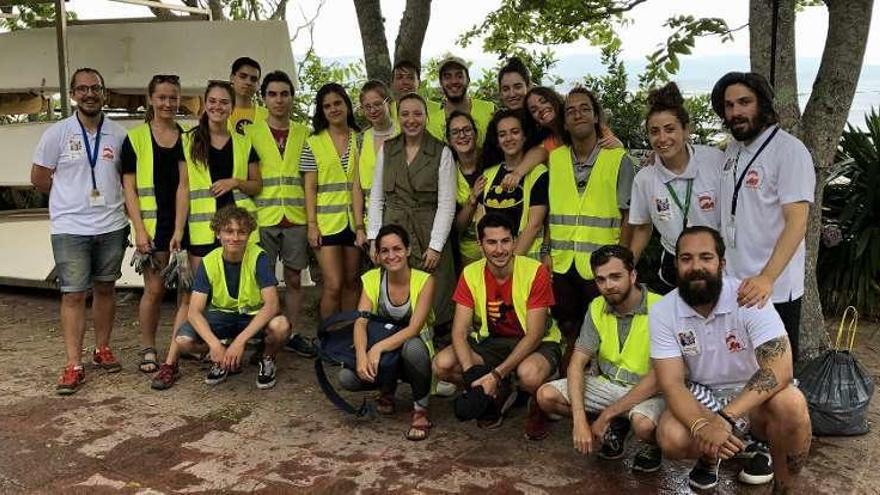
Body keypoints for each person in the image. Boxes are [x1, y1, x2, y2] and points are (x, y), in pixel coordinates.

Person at [651, 226, 811, 491]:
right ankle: (711, 454)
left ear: (722, 263)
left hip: (753, 397)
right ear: (676, 263)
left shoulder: (749, 297)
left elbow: (780, 369)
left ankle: (785, 487)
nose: (696, 267)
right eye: (686, 258)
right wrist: (703, 425)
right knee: (670, 437)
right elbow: (672, 384)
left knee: (792, 404)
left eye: (706, 257)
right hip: (704, 395)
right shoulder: (663, 311)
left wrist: (724, 419)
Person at [152, 81, 262, 389]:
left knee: (232, 294)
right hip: (201, 231)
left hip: (237, 231)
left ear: (231, 106)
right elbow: (183, 188)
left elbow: (257, 186)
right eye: (212, 101)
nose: (217, 106)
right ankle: (170, 363)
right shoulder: (189, 141)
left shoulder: (243, 141)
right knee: (191, 298)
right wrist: (177, 230)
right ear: (204, 104)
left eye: (223, 102)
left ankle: (225, 353)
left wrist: (235, 182)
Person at [31, 67, 129, 395]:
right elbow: (40, 178)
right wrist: (68, 200)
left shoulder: (118, 134)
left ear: (104, 93)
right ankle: (74, 364)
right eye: (83, 89)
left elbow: (126, 180)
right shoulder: (56, 134)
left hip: (112, 224)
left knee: (105, 288)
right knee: (73, 294)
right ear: (73, 94)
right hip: (70, 227)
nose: (89, 94)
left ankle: (102, 349)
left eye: (95, 88)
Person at [710, 72, 814, 361]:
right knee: (740, 368)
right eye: (729, 106)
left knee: (774, 375)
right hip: (733, 285)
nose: (736, 112)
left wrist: (767, 278)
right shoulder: (732, 150)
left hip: (773, 289)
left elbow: (797, 222)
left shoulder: (790, 151)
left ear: (763, 105)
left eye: (744, 102)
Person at [432, 213, 562, 440]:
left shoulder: (535, 271)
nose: (499, 249)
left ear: (514, 241)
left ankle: (537, 404)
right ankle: (498, 392)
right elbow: (460, 331)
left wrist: (496, 374)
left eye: (505, 241)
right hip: (492, 340)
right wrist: (473, 375)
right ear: (480, 245)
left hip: (536, 343)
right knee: (442, 365)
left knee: (529, 375)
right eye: (491, 242)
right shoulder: (471, 273)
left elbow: (534, 334)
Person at [537, 245, 665, 470]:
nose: (609, 286)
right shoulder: (597, 306)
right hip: (608, 386)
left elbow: (660, 377)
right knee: (546, 396)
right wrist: (579, 421)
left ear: (633, 275)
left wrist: (606, 415)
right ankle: (614, 427)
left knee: (643, 425)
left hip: (649, 391)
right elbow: (577, 364)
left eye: (616, 277)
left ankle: (649, 444)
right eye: (601, 279)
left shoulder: (662, 308)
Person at [547, 87, 637, 351]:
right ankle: (568, 379)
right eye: (571, 111)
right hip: (562, 264)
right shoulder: (556, 158)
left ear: (597, 116)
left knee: (604, 328)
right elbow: (551, 211)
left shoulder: (618, 159)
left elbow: (629, 216)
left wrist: (621, 260)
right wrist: (546, 250)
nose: (578, 115)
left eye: (585, 108)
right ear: (564, 121)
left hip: (601, 265)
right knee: (567, 328)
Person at [120, 74, 190, 378]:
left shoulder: (188, 137)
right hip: (152, 226)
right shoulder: (134, 139)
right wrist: (139, 229)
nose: (168, 103)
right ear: (151, 99)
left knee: (188, 292)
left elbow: (186, 185)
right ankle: (148, 347)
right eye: (162, 97)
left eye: (173, 97)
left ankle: (180, 347)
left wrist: (179, 229)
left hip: (186, 224)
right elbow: (129, 189)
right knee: (154, 289)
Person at [175, 206, 291, 388]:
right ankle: (220, 357)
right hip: (221, 317)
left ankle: (267, 358)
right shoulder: (209, 260)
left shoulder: (258, 256)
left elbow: (272, 305)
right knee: (183, 341)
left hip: (252, 316)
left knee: (281, 326)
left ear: (250, 234)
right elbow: (193, 311)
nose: (235, 238)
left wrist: (239, 342)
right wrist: (214, 344)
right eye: (229, 231)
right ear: (217, 234)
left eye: (241, 232)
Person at [367, 92, 456, 326]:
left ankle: (432, 348)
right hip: (394, 229)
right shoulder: (387, 149)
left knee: (434, 294)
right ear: (398, 118)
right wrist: (374, 239)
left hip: (428, 231)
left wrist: (436, 246)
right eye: (405, 114)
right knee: (395, 290)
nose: (411, 120)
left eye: (417, 114)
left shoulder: (441, 152)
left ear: (426, 117)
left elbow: (447, 204)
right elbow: (376, 198)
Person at [342, 224, 436, 441]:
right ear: (377, 254)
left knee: (413, 348)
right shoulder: (372, 278)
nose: (391, 256)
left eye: (397, 249)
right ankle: (387, 390)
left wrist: (377, 348)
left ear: (408, 250)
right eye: (385, 250)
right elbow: (360, 322)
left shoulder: (425, 280)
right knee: (347, 378)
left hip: (413, 351)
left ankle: (420, 409)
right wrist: (361, 356)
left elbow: (414, 327)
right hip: (386, 354)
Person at [245, 70, 315, 358]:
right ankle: (263, 331)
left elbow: (310, 179)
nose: (278, 100)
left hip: (295, 217)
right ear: (264, 98)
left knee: (295, 279)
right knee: (264, 281)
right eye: (272, 94)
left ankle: (291, 331)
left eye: (284, 94)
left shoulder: (304, 134)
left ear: (292, 97)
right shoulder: (250, 133)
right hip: (264, 216)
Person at [629, 82, 724, 293]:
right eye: (654, 132)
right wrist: (627, 268)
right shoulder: (645, 178)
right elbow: (643, 227)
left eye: (670, 129)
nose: (662, 138)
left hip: (716, 260)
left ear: (686, 129)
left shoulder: (715, 161)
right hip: (674, 262)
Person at [301, 83, 362, 319]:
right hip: (326, 224)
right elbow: (310, 187)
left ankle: (347, 338)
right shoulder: (313, 142)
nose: (333, 109)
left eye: (337, 103)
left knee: (351, 282)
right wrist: (311, 224)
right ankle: (326, 338)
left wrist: (360, 225)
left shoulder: (361, 139)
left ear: (347, 104)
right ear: (321, 112)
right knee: (333, 284)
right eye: (327, 106)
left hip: (355, 222)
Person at [474, 109, 548, 259]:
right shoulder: (488, 174)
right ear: (497, 141)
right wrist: (490, 258)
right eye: (502, 134)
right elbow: (480, 220)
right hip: (493, 263)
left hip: (526, 261)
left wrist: (510, 261)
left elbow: (534, 225)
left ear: (524, 136)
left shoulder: (539, 173)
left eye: (515, 132)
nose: (508, 138)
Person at [354, 80, 398, 243]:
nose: (373, 110)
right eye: (367, 106)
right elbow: (357, 186)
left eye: (378, 104)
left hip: (402, 217)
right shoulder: (360, 140)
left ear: (388, 102)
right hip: (373, 221)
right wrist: (359, 227)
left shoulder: (404, 132)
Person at [427, 55, 495, 145]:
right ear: (441, 83)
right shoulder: (433, 123)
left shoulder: (489, 110)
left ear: (468, 80)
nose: (454, 81)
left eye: (459, 76)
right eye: (447, 77)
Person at [448, 111, 485, 269]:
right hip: (468, 254)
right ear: (449, 140)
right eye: (455, 132)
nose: (462, 135)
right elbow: (457, 228)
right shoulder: (448, 173)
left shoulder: (493, 160)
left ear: (476, 134)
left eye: (467, 130)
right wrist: (472, 199)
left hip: (503, 247)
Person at [389, 60, 441, 124]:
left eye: (410, 78)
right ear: (392, 83)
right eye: (400, 77)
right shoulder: (386, 111)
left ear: (419, 82)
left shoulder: (438, 109)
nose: (405, 82)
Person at [228, 57, 266, 135]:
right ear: (232, 78)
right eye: (243, 76)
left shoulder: (268, 116)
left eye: (253, 79)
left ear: (258, 84)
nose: (248, 82)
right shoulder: (218, 112)